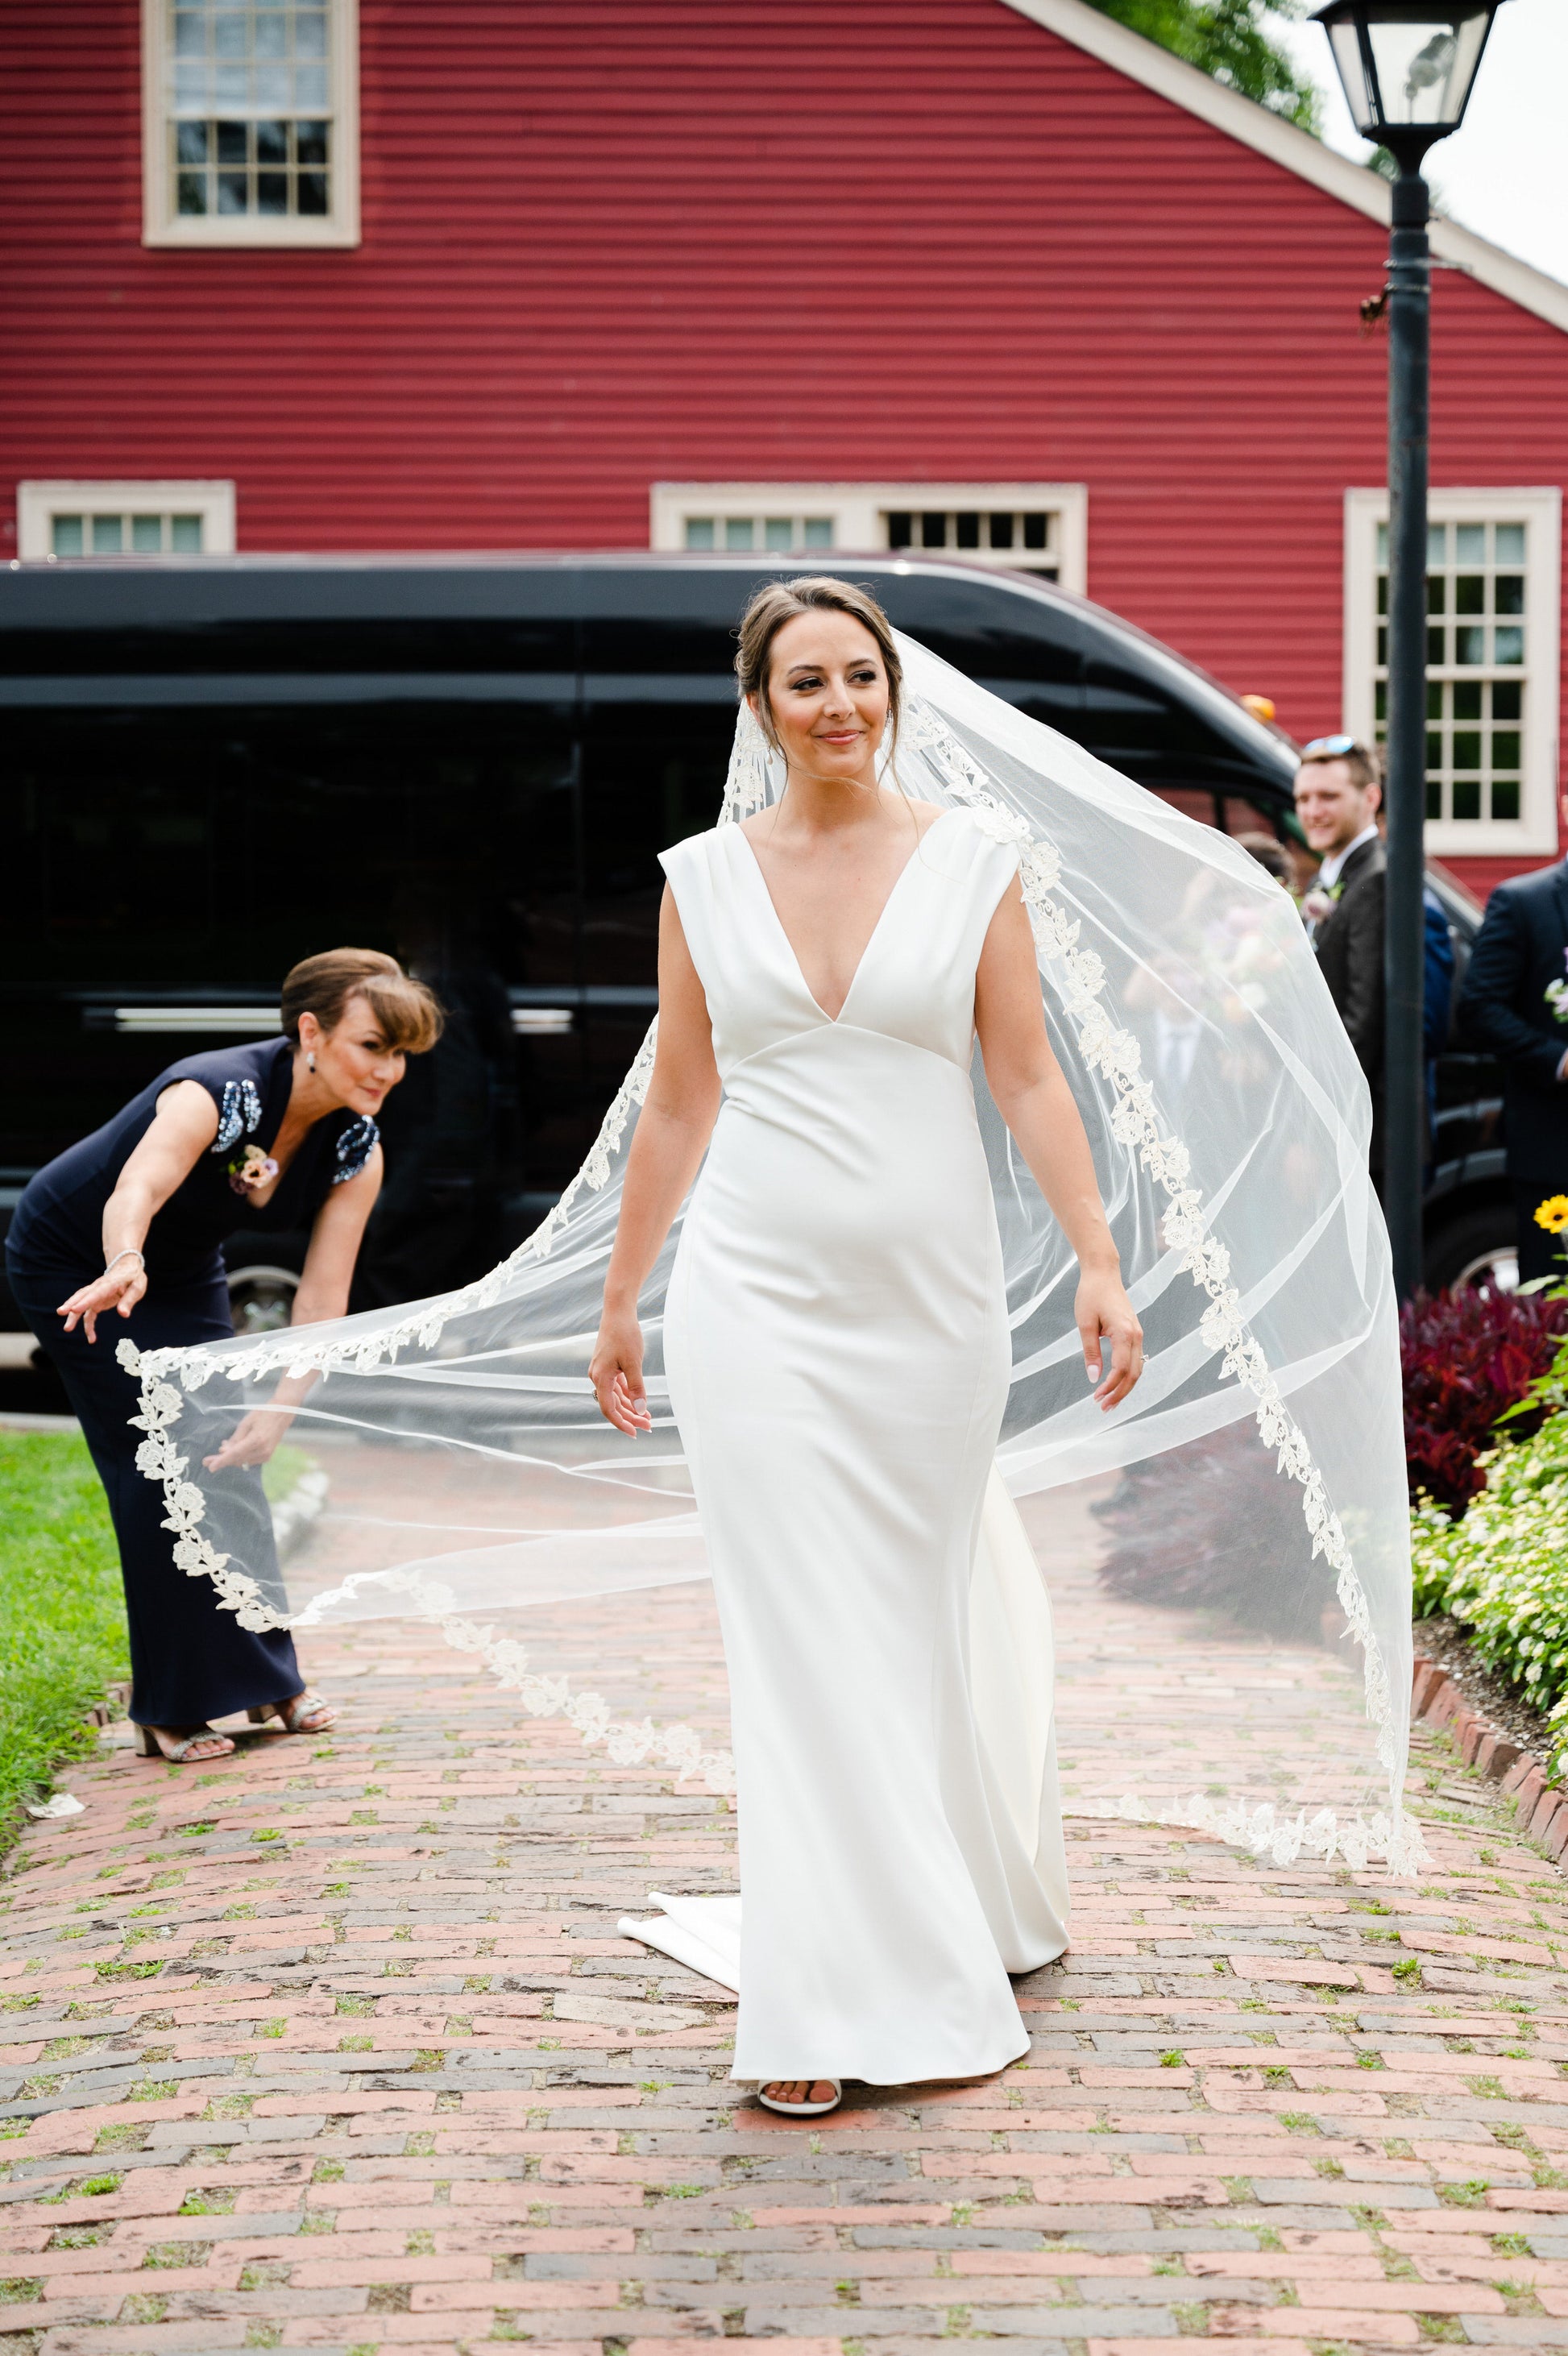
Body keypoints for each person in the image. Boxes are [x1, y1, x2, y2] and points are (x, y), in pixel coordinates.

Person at [587, 578, 1143, 2118]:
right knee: (797, 1639)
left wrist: (1097, 1262)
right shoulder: (700, 876)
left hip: (928, 1307)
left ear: (892, 690)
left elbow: (1027, 1077)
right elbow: (682, 1101)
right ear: (758, 708)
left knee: (900, 1618)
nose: (837, 704)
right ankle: (818, 1994)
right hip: (751, 1296)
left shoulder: (974, 863)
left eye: (859, 676)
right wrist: (626, 1292)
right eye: (803, 683)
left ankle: (949, 1885)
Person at [5, 949, 442, 1763]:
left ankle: (270, 1677)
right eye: (372, 1045)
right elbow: (132, 1189)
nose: (388, 1070)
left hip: (184, 1268)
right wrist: (123, 1260)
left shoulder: (355, 1143)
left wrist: (278, 1408)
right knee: (157, 1464)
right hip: (82, 1261)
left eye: (401, 1054)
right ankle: (172, 1704)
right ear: (310, 1030)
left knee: (229, 1452)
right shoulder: (214, 1091)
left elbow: (319, 1300)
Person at [1458, 796, 1568, 1284]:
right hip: (1554, 1145)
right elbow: (1479, 1008)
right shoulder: (1524, 902)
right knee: (1554, 1302)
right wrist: (1560, 1059)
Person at [1296, 736, 1386, 1181]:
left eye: (1328, 796)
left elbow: (1362, 1019)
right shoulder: (1324, 877)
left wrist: (1315, 1129)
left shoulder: (1377, 880)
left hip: (1358, 1127)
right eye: (1303, 798)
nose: (1312, 811)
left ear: (1370, 797)